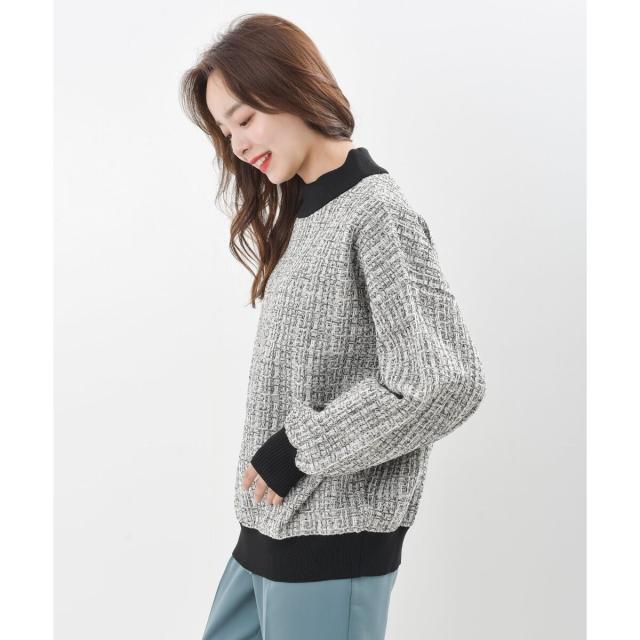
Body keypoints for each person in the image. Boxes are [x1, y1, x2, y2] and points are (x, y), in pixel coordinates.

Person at [180, 12, 487, 640]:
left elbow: (446, 381)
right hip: (266, 537)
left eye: (244, 118)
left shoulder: (376, 212)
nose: (237, 144)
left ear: (292, 88)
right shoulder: (305, 214)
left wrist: (298, 449)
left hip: (331, 546)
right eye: (225, 131)